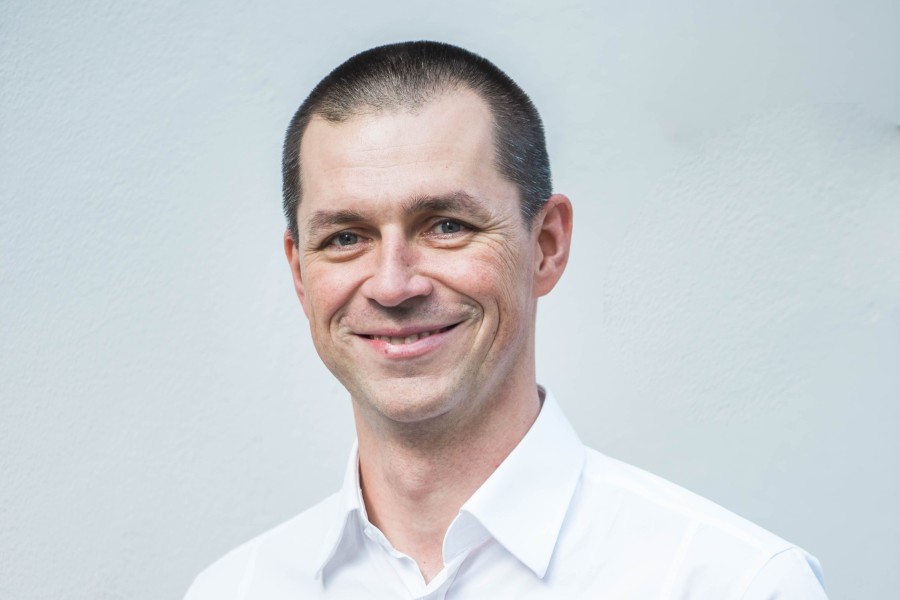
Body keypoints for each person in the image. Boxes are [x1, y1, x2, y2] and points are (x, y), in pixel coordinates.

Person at [184, 41, 828, 599]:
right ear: (300, 273)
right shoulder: (232, 591)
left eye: (446, 226)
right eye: (345, 238)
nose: (393, 285)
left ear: (546, 245)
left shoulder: (734, 584)